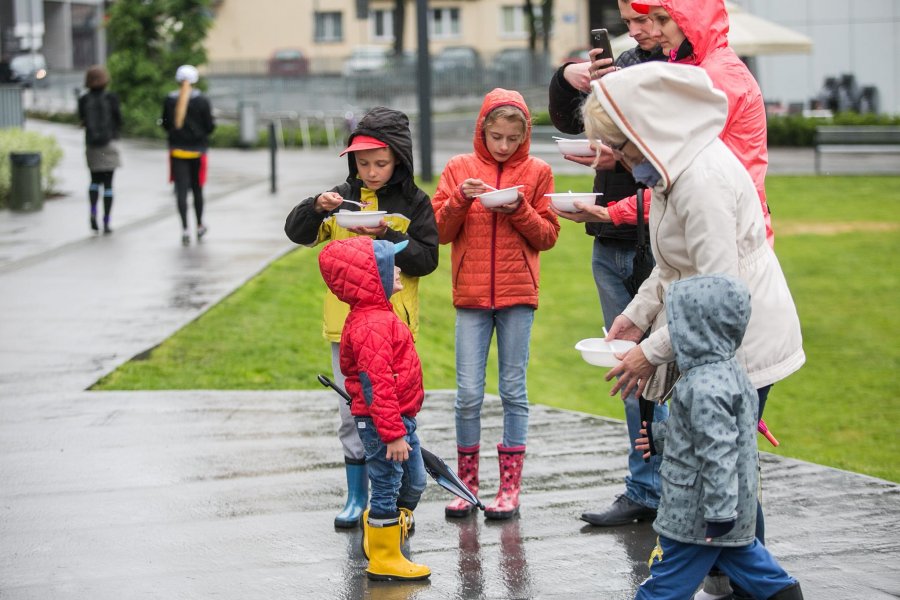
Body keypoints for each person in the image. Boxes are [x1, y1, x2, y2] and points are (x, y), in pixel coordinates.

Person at [584, 61, 805, 600]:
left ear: (648, 129)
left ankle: (751, 581)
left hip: (740, 340)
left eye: (621, 145)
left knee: (727, 472)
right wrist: (635, 317)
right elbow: (672, 265)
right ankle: (755, 582)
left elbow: (713, 290)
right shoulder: (671, 170)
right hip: (711, 339)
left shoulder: (700, 180)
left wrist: (649, 353)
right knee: (724, 471)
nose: (619, 158)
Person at [284, 106, 439, 529]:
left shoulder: (414, 203)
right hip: (345, 329)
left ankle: (391, 498)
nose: (370, 172)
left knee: (396, 410)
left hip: (395, 329)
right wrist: (316, 206)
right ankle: (356, 496)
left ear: (400, 161)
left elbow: (427, 260)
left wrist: (388, 236)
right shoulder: (340, 199)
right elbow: (296, 233)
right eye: (362, 163)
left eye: (380, 163)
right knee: (352, 414)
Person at [548, 0, 668, 528]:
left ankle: (677, 492)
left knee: (665, 370)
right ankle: (644, 488)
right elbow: (565, 117)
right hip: (609, 239)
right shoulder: (620, 66)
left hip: (658, 247)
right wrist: (566, 76)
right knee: (629, 371)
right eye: (632, 21)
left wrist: (616, 160)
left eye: (648, 20)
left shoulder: (681, 75)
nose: (638, 30)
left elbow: (669, 176)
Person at [631, 274, 803, 600]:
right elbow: (713, 432)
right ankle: (785, 593)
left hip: (697, 515)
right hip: (727, 513)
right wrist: (663, 439)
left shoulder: (703, 386)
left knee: (664, 585)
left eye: (678, 324)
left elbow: (719, 451)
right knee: (753, 566)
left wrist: (720, 514)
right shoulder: (727, 370)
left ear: (699, 329)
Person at [431, 88, 559, 520]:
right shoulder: (458, 168)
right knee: (467, 394)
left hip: (518, 295)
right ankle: (466, 485)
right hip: (470, 296)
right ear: (481, 129)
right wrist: (460, 200)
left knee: (512, 391)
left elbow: (547, 236)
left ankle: (510, 489)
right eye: (495, 137)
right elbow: (440, 232)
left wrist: (520, 208)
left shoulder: (538, 172)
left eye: (511, 139)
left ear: (524, 137)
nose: (503, 146)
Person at [560, 0, 774, 251]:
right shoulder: (693, 70)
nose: (653, 31)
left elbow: (683, 179)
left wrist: (612, 213)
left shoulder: (714, 78)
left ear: (691, 19)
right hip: (707, 228)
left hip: (727, 234)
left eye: (662, 20)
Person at [317, 236, 430, 581]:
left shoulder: (379, 314)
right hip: (384, 425)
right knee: (386, 484)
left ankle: (383, 530)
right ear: (371, 279)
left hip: (399, 419)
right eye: (389, 264)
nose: (399, 268)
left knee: (415, 481)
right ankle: (384, 556)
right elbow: (376, 385)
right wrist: (393, 434)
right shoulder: (372, 325)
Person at [161, 65, 215, 245]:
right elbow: (209, 126)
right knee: (197, 189)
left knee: (181, 191)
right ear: (195, 80)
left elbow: (166, 124)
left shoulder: (170, 100)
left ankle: (184, 229)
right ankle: (199, 225)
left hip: (177, 151)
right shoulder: (202, 101)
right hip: (198, 152)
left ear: (178, 80)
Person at [77, 65, 121, 234]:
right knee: (109, 185)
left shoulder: (84, 99)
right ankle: (107, 220)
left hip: (91, 145)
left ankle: (93, 212)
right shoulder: (111, 97)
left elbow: (81, 119)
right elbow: (118, 119)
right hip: (109, 144)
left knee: (94, 181)